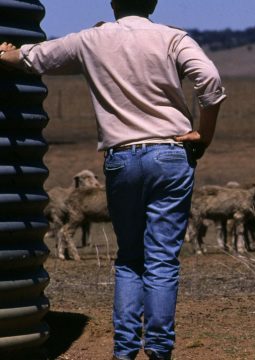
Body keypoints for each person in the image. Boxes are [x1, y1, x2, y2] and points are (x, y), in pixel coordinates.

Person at [0, 0, 225, 359]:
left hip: (121, 157)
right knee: (163, 259)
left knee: (130, 258)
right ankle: (159, 349)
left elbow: (34, 58)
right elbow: (209, 79)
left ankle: (124, 351)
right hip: (170, 154)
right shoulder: (172, 38)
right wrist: (205, 133)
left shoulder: (92, 39)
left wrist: (9, 53)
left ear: (112, 3)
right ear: (152, 2)